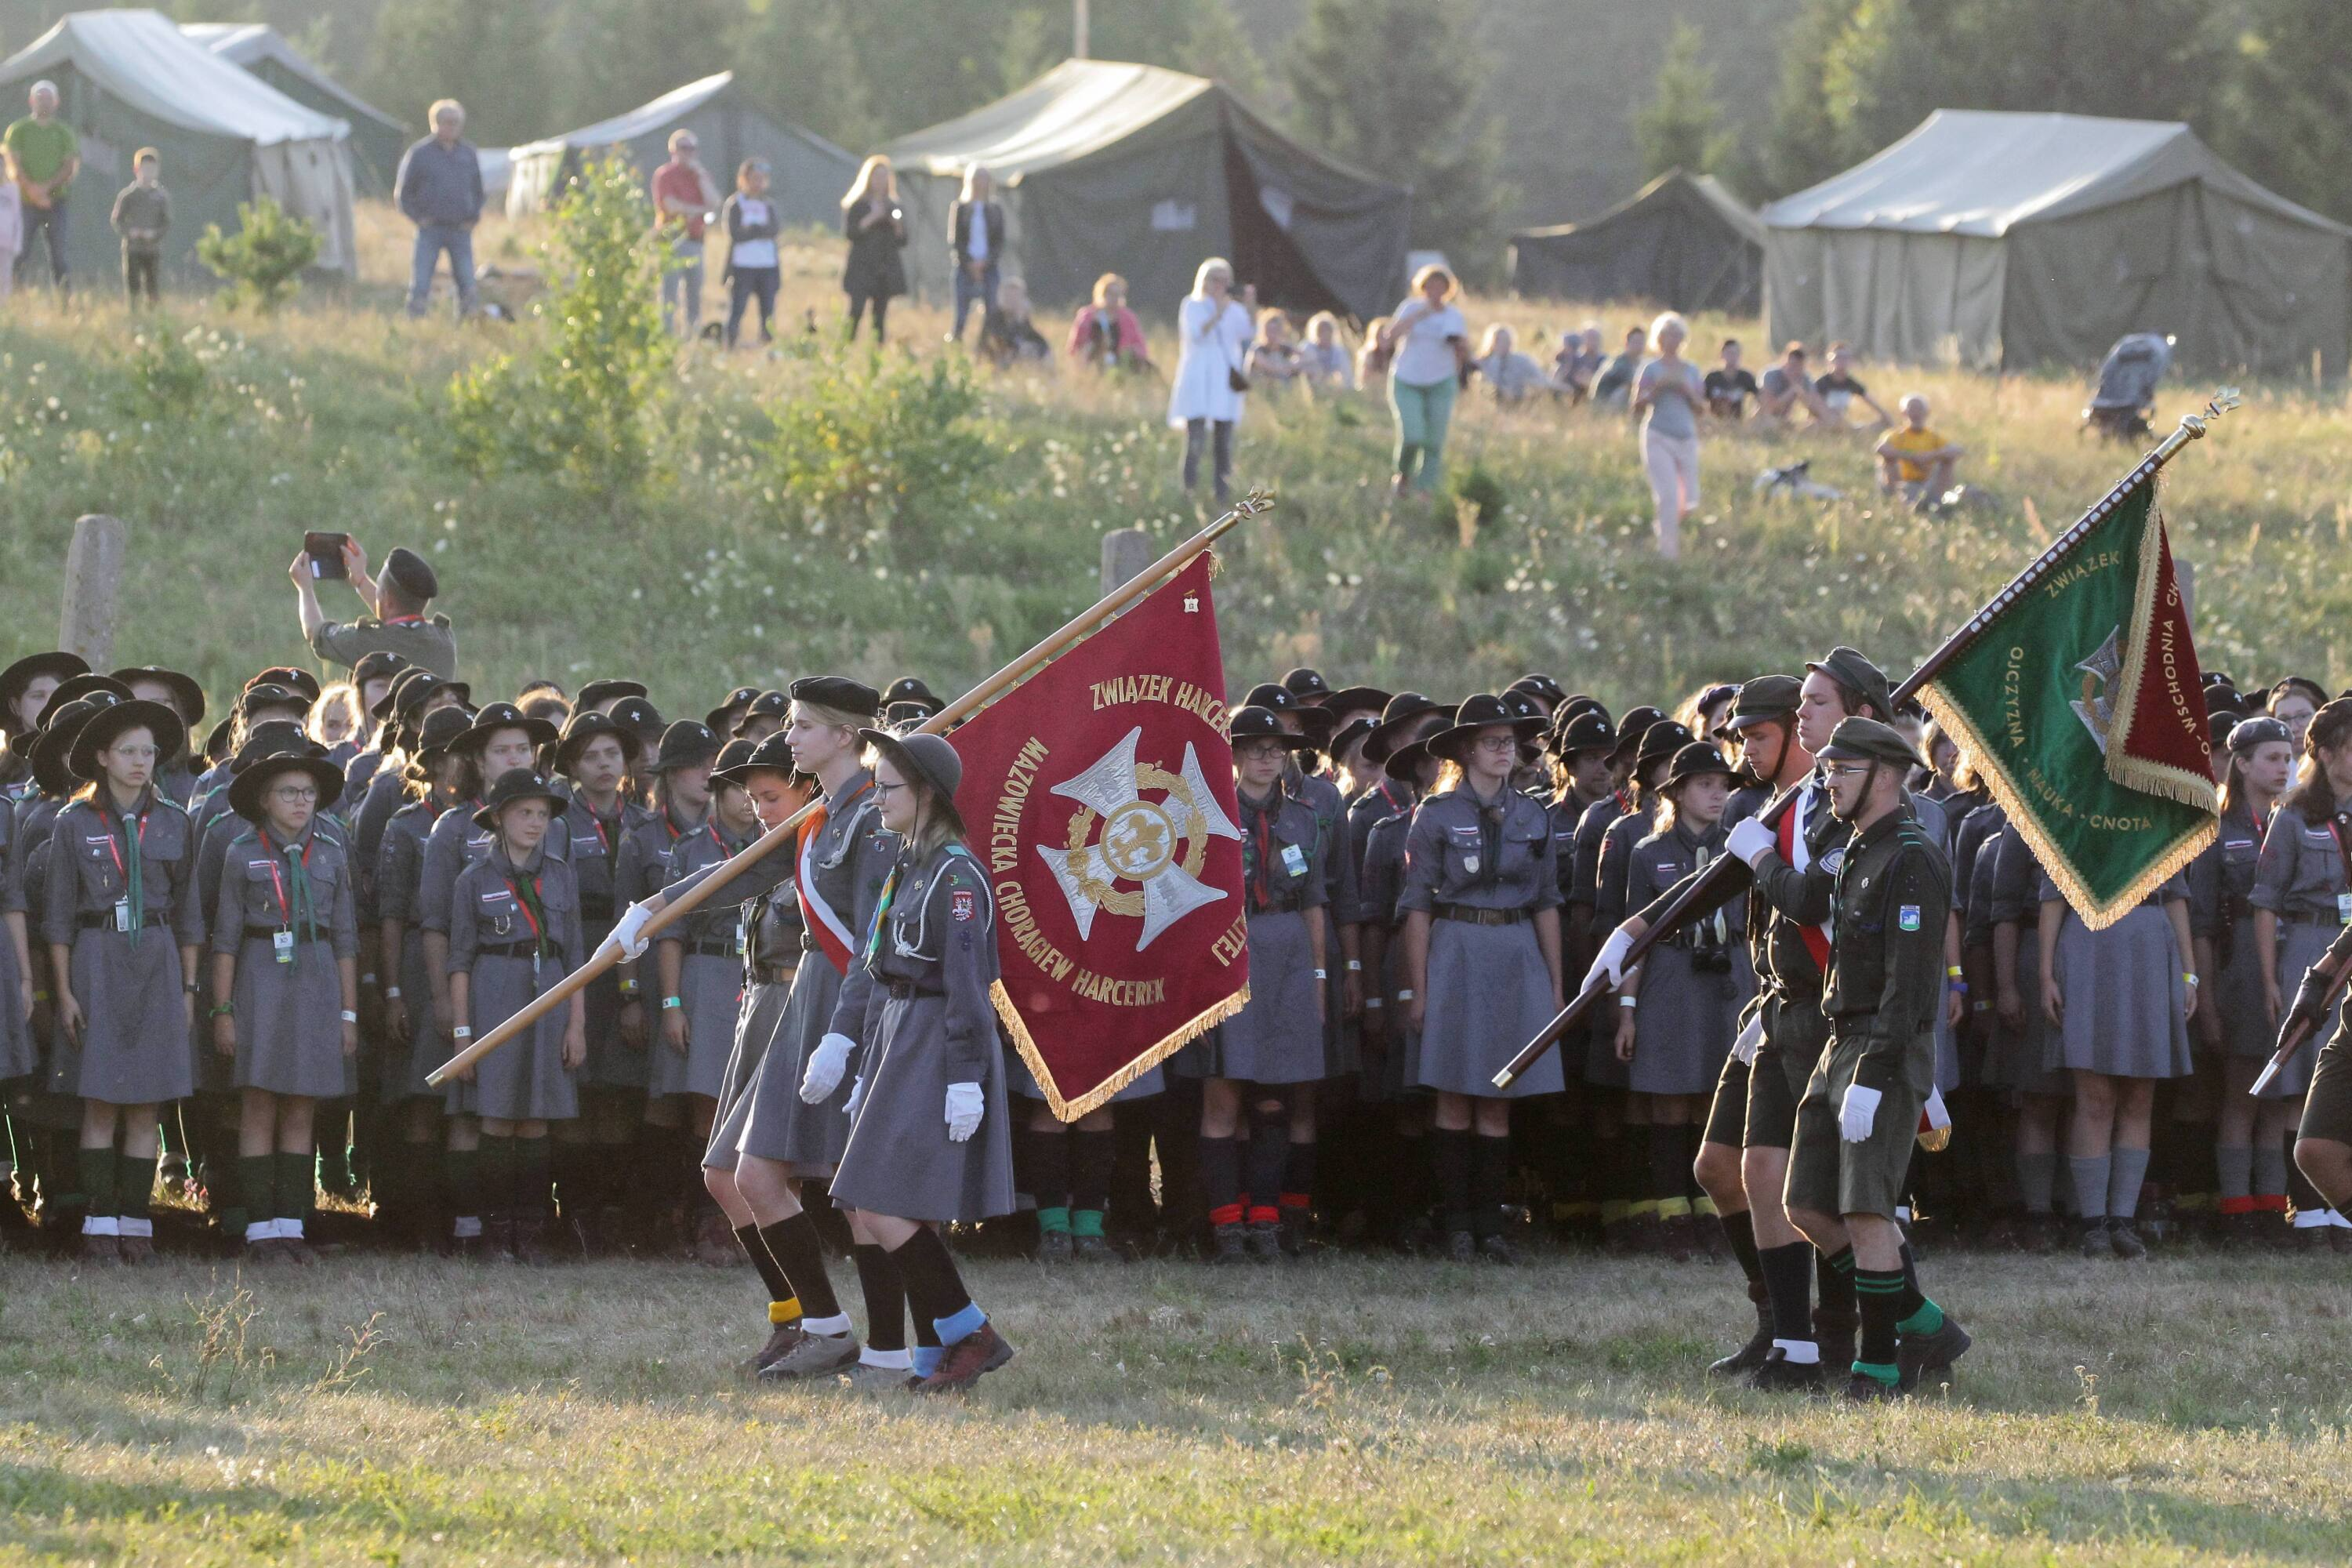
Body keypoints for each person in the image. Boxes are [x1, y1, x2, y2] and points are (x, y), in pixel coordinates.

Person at [1766, 717, 1969, 1400]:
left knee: (1865, 1211)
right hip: (1840, 1039)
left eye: (1842, 771)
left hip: (1882, 1046)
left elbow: (1910, 984)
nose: (1828, 782)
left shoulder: (1911, 854)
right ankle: (1921, 1320)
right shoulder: (1858, 849)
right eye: (1827, 771)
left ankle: (1878, 1367)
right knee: (1806, 1205)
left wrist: (1876, 1075)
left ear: (1886, 774)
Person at [825, 728, 1017, 1391]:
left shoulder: (956, 875)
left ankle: (971, 1331)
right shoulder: (910, 865)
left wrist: (966, 1078)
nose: (876, 798)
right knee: (876, 1199)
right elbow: (884, 967)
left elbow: (968, 983)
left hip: (938, 1036)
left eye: (888, 787)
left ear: (927, 794)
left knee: (882, 1201)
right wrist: (864, 1061)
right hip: (900, 1033)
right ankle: (935, 1353)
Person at [1399, 693, 1563, 1262]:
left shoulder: (1533, 815)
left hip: (1516, 952)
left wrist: (1556, 984)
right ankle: (1458, 1225)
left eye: (1510, 742)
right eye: (1493, 742)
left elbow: (1547, 903)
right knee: (1453, 1094)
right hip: (1457, 949)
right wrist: (1418, 988)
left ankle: (1492, 1226)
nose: (1504, 751)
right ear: (1466, 750)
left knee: (1500, 1096)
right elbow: (1417, 906)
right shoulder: (1436, 815)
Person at [43, 699, 200, 1262]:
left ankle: (137, 1223)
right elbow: (58, 917)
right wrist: (63, 991)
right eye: (129, 752)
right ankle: (99, 1223)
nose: (141, 762)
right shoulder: (75, 822)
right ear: (103, 758)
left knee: (147, 1104)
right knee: (100, 1101)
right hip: (98, 959)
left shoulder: (176, 820)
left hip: (156, 961)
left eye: (150, 752)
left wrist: (188, 989)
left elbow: (190, 917)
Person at [1182, 707, 1330, 1264]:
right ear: (1236, 756)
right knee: (1223, 1094)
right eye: (1257, 748)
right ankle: (1226, 1226)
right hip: (1228, 953)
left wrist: (1318, 978)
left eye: (1278, 749)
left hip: (1287, 954)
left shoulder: (1305, 820)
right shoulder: (1208, 816)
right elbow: (1189, 906)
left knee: (1274, 1097)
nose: (1269, 758)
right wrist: (1197, 990)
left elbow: (1315, 902)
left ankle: (1264, 1221)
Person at [208, 750, 358, 1261]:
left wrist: (348, 1013)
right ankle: (260, 1231)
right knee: (259, 1102)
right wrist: (223, 1010)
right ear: (264, 800)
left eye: (309, 793)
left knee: (302, 1103)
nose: (301, 802)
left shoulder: (333, 851)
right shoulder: (241, 851)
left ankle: (291, 1227)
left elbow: (345, 940)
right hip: (259, 978)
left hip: (315, 982)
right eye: (289, 792)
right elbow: (225, 938)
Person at [445, 769, 586, 1261]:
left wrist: (576, 1024)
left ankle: (530, 1232)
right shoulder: (473, 879)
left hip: (550, 994)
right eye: (524, 812)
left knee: (537, 1119)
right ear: (499, 817)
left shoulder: (563, 874)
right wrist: (464, 1036)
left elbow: (577, 961)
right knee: (498, 1116)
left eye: (543, 814)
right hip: (493, 992)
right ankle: (494, 1232)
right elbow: (459, 961)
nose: (535, 822)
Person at [2038, 857, 2196, 1259]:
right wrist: (2046, 975)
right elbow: (2053, 897)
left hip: (2150, 947)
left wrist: (2189, 975)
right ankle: (2093, 1225)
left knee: (2140, 1097)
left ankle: (2123, 1222)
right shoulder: (2072, 815)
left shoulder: (2160, 811)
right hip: (2088, 943)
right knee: (2094, 1097)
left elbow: (2175, 896)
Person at [2190, 716, 2297, 1244]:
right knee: (2241, 1093)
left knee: (2279, 1095)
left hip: (2290, 965)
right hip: (2237, 972)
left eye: (2288, 757)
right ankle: (2236, 1209)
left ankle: (2273, 1208)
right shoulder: (2217, 827)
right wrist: (2207, 998)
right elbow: (2203, 924)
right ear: (2244, 763)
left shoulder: (2296, 820)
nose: (2284, 767)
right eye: (2273, 758)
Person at [2251, 697, 2352, 1247]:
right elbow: (2265, 901)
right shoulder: (2292, 815)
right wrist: (2272, 978)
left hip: (2349, 950)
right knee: (2301, 1079)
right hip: (2310, 945)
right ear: (2329, 751)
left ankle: (2341, 1212)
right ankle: (2306, 1210)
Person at [292, 537, 458, 679]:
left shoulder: (367, 642)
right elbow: (393, 613)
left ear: (386, 599)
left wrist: (305, 589)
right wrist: (360, 580)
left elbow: (315, 632)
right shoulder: (444, 640)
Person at [1377, 265, 1470, 497]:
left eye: (1441, 286)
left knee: (1434, 439)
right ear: (1423, 287)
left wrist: (1461, 359)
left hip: (1441, 381)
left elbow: (1463, 350)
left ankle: (1425, 489)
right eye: (1430, 285)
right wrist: (1418, 316)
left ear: (1448, 290)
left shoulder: (1453, 315)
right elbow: (1388, 341)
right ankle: (1404, 474)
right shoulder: (1410, 308)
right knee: (1413, 435)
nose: (1435, 290)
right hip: (1407, 379)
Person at [1166, 258, 1252, 506]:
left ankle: (1222, 495)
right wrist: (1219, 312)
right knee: (1195, 441)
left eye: (1225, 280)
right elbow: (1196, 334)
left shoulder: (1235, 310)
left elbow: (1248, 332)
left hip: (1224, 381)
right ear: (1205, 280)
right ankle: (1189, 492)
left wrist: (1249, 304)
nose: (1221, 285)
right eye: (1216, 279)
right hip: (1198, 378)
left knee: (1223, 443)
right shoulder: (1192, 305)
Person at [394, 100, 484, 321]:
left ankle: (468, 323)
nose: (451, 126)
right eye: (447, 122)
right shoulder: (420, 153)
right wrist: (418, 218)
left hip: (460, 230)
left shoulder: (468, 154)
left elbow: (478, 190)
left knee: (467, 282)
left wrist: (474, 217)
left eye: (456, 122)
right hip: (430, 229)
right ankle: (415, 322)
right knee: (421, 282)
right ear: (435, 123)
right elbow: (404, 193)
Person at [1633, 311, 1705, 561]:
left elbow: (1701, 408)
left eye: (1677, 335)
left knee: (1690, 499)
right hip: (1658, 436)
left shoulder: (1692, 370)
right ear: (1659, 339)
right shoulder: (1650, 369)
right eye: (1667, 334)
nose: (1672, 339)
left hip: (1685, 437)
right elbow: (1637, 406)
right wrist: (1658, 388)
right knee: (1668, 496)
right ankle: (1668, 553)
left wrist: (1685, 389)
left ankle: (1668, 528)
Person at [5, 81, 77, 292]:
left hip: (55, 203)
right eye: (40, 98)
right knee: (19, 254)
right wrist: (32, 192)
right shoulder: (18, 130)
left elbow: (68, 169)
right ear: (31, 101)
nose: (43, 103)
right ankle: (14, 298)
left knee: (59, 256)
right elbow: (13, 166)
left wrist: (47, 192)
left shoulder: (64, 132)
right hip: (24, 203)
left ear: (56, 102)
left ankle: (65, 302)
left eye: (48, 99)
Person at [652, 129, 721, 338]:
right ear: (673, 150)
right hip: (672, 240)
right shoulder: (665, 175)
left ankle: (691, 336)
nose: (689, 153)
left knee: (694, 293)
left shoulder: (699, 175)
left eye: (692, 148)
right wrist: (700, 210)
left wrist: (700, 176)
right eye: (684, 148)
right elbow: (671, 206)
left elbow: (714, 203)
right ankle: (665, 336)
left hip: (695, 241)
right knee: (669, 293)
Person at [839, 154, 907, 343]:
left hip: (884, 268)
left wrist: (897, 225)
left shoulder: (894, 206)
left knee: (880, 316)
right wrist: (871, 218)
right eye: (877, 176)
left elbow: (903, 240)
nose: (880, 181)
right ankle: (844, 349)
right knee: (856, 311)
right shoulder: (859, 205)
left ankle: (876, 354)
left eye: (884, 176)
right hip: (861, 266)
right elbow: (851, 233)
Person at [719, 159, 782, 350]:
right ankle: (729, 345)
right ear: (744, 179)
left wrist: (751, 229)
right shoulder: (735, 204)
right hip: (742, 266)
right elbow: (736, 234)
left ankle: (767, 347)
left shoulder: (769, 205)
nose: (758, 183)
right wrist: (759, 231)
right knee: (737, 309)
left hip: (767, 265)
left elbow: (774, 230)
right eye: (754, 178)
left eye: (761, 179)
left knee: (768, 312)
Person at [947, 165, 1004, 345]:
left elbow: (999, 242)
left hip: (989, 267)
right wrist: (969, 264)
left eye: (984, 178)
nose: (981, 182)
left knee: (992, 310)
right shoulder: (960, 208)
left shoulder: (995, 210)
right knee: (962, 311)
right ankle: (956, 342)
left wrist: (985, 263)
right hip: (965, 266)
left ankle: (985, 346)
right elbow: (956, 241)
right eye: (977, 178)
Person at [107, 147, 169, 307]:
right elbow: (117, 220)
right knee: (133, 284)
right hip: (133, 249)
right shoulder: (128, 195)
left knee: (152, 285)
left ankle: (153, 313)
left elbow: (166, 223)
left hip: (152, 249)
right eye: (145, 169)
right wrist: (130, 232)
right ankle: (134, 311)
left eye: (152, 169)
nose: (149, 173)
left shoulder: (161, 197)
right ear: (136, 170)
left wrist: (154, 234)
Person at [1877, 396, 1965, 502]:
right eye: (1912, 409)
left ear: (1927, 413)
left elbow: (1957, 450)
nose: (1916, 413)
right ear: (1904, 413)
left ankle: (1938, 499)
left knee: (1948, 460)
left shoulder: (1933, 436)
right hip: (1903, 483)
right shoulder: (1896, 435)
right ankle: (1896, 498)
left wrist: (1930, 456)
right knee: (1889, 459)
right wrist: (1912, 457)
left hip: (1927, 482)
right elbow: (1881, 449)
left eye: (1919, 409)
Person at [1066, 273, 1151, 372]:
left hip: (1122, 363)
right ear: (1102, 293)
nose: (1114, 298)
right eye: (1110, 293)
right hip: (1093, 363)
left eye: (1117, 294)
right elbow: (1075, 346)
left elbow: (1141, 346)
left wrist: (1129, 353)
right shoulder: (1087, 316)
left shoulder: (1128, 318)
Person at [1813, 343, 1893, 432]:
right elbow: (1815, 410)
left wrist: (1887, 418)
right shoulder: (1821, 383)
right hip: (1823, 424)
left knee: (1878, 426)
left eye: (1845, 357)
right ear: (1830, 360)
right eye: (1838, 357)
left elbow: (1874, 404)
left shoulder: (1851, 383)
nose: (1841, 361)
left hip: (1843, 424)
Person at [978, 277, 1051, 367]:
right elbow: (1005, 341)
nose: (1012, 301)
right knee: (1025, 350)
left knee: (1038, 351)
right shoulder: (994, 318)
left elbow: (1036, 339)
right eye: (1009, 297)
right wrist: (1018, 322)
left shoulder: (1022, 317)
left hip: (1015, 359)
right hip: (997, 360)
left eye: (1016, 297)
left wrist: (1020, 320)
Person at [1473, 325, 1548, 404]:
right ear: (1492, 342)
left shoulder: (1522, 360)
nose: (1504, 344)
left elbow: (1541, 380)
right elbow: (1487, 386)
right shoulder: (1483, 362)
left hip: (1521, 401)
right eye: (1500, 341)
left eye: (1507, 340)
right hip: (1492, 402)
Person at [1757, 343, 1829, 425]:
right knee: (1770, 423)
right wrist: (1792, 390)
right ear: (1784, 362)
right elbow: (1769, 408)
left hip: (1785, 421)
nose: (1794, 370)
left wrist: (1802, 394)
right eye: (1792, 365)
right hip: (1763, 419)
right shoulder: (1770, 375)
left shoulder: (1805, 378)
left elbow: (1818, 411)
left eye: (1799, 366)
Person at [1247, 307, 1304, 387]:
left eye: (1275, 330)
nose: (1272, 334)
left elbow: (1303, 357)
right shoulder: (1257, 349)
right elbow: (1268, 367)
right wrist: (1288, 367)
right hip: (1261, 390)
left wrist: (1295, 364)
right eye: (1269, 330)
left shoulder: (1285, 348)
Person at [1591, 325, 1645, 407]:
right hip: (1605, 401)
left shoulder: (1641, 362)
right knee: (1626, 389)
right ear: (1627, 343)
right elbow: (1632, 382)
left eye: (1642, 342)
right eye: (1636, 342)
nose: (1639, 346)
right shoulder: (1618, 362)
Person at [1703, 339, 1756, 420]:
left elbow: (1761, 399)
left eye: (1736, 353)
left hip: (1737, 424)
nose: (1733, 357)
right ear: (1722, 355)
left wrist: (1753, 418)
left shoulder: (1745, 377)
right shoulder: (1712, 377)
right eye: (1729, 353)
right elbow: (1700, 401)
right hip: (1715, 423)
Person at [1298, 312, 1352, 390]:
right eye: (1321, 331)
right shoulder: (1307, 348)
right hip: (1311, 388)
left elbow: (1347, 375)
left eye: (1327, 330)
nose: (1325, 334)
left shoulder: (1339, 352)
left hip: (1335, 390)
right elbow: (1296, 367)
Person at [0, 147, 20, 304]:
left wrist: (17, 243)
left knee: (4, 276)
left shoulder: (12, 190)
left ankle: (3, 304)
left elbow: (17, 218)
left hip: (6, 243)